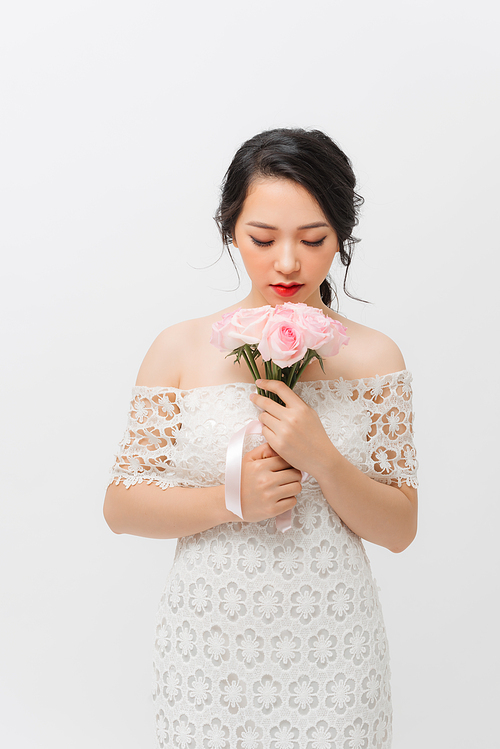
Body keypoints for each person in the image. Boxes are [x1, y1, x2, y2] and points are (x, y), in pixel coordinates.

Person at [103, 128, 418, 749]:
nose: (288, 264)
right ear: (230, 232)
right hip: (210, 651)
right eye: (262, 239)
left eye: (314, 239)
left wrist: (322, 458)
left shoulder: (376, 357)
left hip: (335, 652)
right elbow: (120, 506)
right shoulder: (180, 348)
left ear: (342, 237)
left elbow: (400, 529)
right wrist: (230, 497)